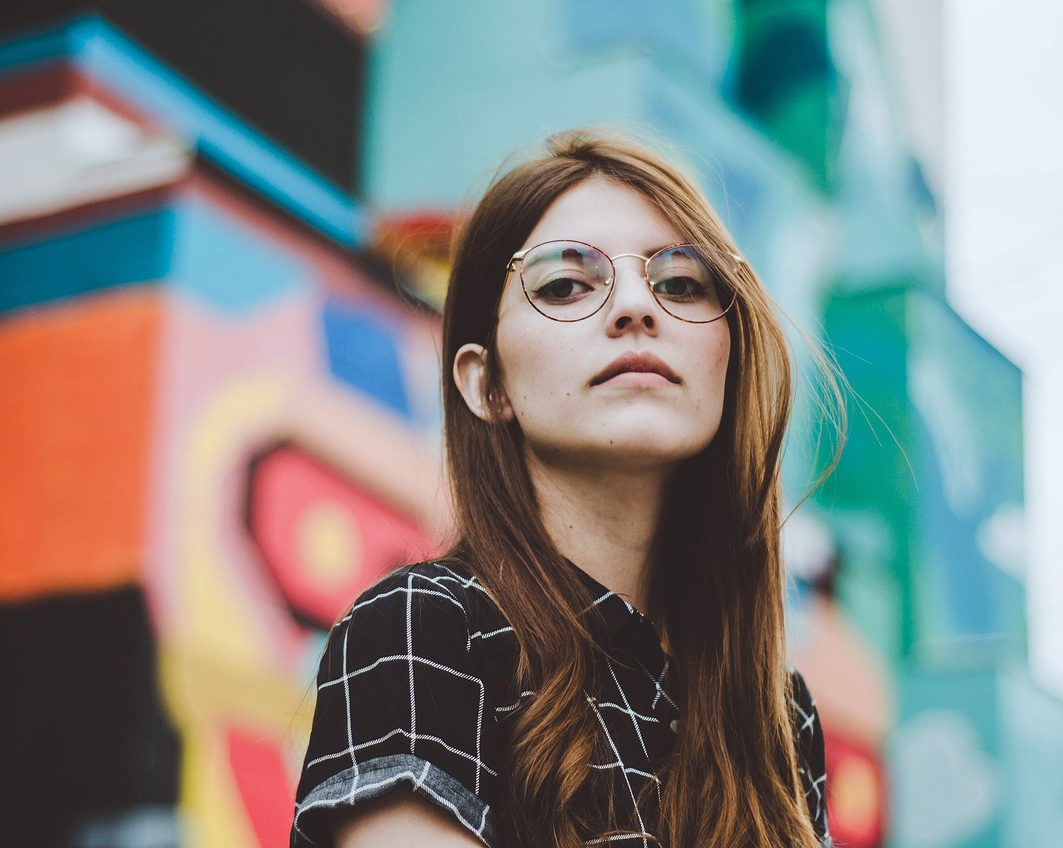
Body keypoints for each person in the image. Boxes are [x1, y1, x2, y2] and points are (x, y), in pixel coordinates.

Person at [290, 129, 835, 848]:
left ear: (727, 360)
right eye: (565, 284)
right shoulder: (426, 627)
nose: (637, 307)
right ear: (486, 384)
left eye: (681, 283)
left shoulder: (780, 715)